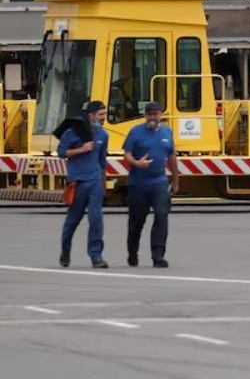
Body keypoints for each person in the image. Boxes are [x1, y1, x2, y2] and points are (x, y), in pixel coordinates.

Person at [122, 101, 178, 268]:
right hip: (138, 183)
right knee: (136, 222)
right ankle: (132, 253)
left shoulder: (167, 132)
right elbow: (127, 154)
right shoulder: (135, 132)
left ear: (161, 115)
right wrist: (137, 163)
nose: (153, 117)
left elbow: (172, 157)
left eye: (156, 114)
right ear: (145, 115)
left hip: (159, 182)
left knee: (162, 215)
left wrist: (175, 180)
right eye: (150, 114)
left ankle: (158, 255)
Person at [58, 101, 109, 269]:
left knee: (96, 219)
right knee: (73, 220)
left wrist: (103, 184)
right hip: (77, 182)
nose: (103, 118)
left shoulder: (103, 135)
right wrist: (81, 149)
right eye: (101, 115)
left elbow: (102, 161)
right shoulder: (72, 133)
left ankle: (96, 255)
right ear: (91, 115)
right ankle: (65, 250)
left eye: (105, 114)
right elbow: (61, 152)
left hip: (95, 181)